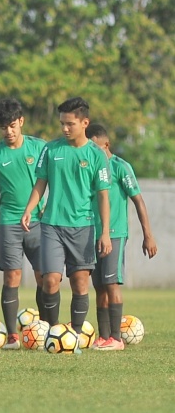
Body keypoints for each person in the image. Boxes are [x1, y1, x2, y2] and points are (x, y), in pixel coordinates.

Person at [21, 97, 111, 350]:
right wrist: (29, 209)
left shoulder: (96, 155)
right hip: (51, 225)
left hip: (83, 226)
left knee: (79, 283)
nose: (64, 128)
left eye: (70, 124)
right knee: (50, 280)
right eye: (62, 123)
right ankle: (52, 333)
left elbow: (103, 195)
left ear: (85, 123)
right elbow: (40, 183)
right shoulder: (50, 150)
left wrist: (104, 232)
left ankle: (77, 335)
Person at [0, 98, 45, 349]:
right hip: (10, 224)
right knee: (12, 277)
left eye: (13, 125)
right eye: (3, 127)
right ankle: (13, 336)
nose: (9, 131)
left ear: (21, 122)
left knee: (45, 277)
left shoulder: (39, 148)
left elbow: (55, 180)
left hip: (39, 223)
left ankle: (44, 329)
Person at [86, 123, 158, 350]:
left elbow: (138, 200)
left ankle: (116, 338)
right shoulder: (90, 168)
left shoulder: (120, 167)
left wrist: (148, 235)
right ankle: (104, 336)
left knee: (112, 283)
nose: (92, 151)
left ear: (106, 144)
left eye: (95, 147)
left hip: (115, 234)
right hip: (92, 233)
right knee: (98, 286)